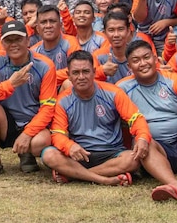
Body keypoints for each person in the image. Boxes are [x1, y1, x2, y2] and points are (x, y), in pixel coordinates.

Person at [40, 51, 151, 187]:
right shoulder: (63, 100)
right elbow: (57, 134)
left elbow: (136, 118)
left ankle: (74, 175)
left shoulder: (113, 93)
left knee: (132, 160)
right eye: (76, 73)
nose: (81, 77)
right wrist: (70, 146)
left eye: (86, 71)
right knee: (48, 154)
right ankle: (104, 179)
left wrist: (142, 138)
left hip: (111, 152)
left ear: (94, 72)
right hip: (79, 153)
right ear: (68, 75)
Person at [118, 40, 177, 202]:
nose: (143, 63)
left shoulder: (174, 79)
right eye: (136, 61)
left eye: (146, 57)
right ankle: (176, 187)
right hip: (155, 150)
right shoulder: (122, 88)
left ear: (155, 58)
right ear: (129, 67)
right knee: (143, 139)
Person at [0, 19, 57, 177]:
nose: (13, 44)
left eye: (18, 39)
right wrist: (10, 84)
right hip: (6, 121)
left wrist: (27, 133)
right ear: (2, 43)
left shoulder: (45, 65)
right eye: (8, 40)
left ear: (28, 40)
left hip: (33, 121)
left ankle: (27, 154)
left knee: (41, 142)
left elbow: (48, 108)